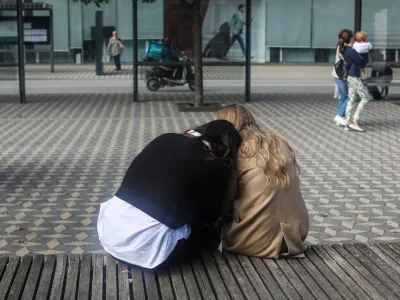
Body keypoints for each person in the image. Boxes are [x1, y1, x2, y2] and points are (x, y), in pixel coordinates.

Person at [97, 120, 242, 271]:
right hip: (149, 253)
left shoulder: (165, 138)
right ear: (228, 150)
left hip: (109, 232)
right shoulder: (215, 166)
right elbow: (209, 217)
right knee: (212, 233)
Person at [215, 105, 309, 259]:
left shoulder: (237, 152)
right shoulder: (279, 142)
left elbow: (225, 204)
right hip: (294, 237)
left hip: (256, 242)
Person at [341, 30, 370, 132]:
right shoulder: (352, 51)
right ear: (352, 38)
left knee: (351, 98)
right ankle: (355, 121)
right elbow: (361, 62)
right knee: (366, 98)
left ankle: (347, 122)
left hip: (349, 76)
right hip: (355, 77)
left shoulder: (345, 49)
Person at [332, 29, 350, 127]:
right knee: (349, 97)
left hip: (336, 75)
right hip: (342, 76)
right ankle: (339, 115)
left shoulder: (339, 45)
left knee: (343, 97)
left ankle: (340, 118)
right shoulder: (346, 48)